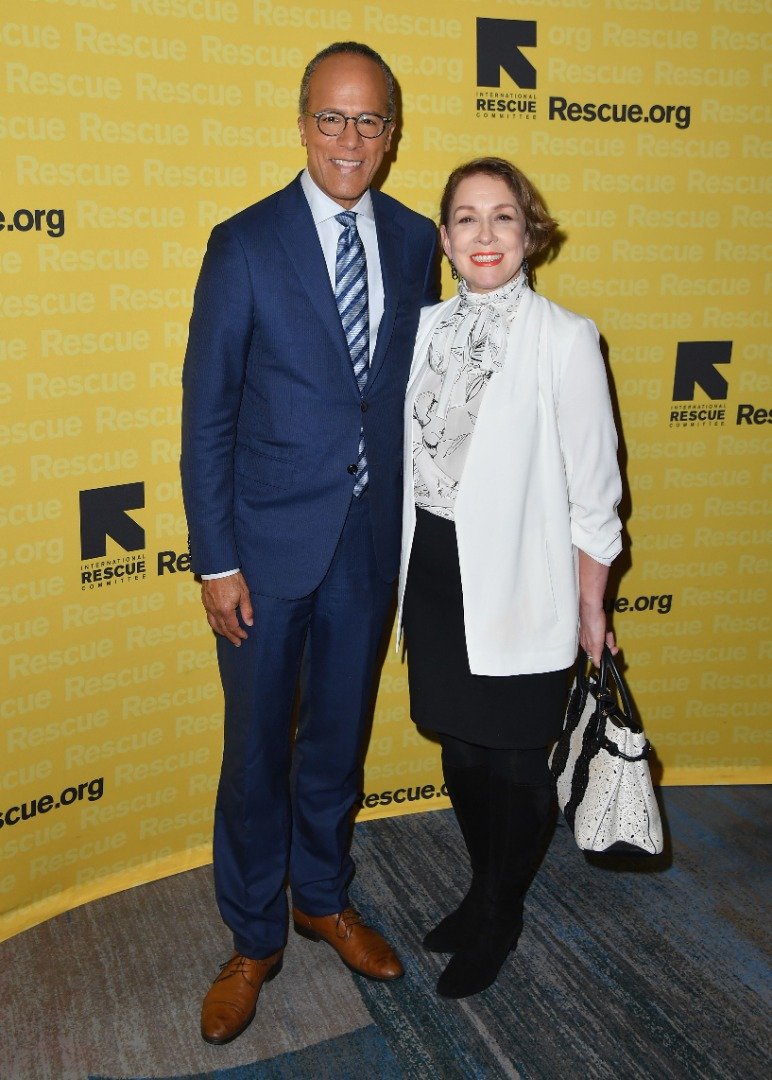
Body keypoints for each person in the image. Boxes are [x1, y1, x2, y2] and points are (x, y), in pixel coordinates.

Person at [181, 42, 438, 1044]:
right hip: (264, 559)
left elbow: (408, 400)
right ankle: (253, 937)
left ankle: (320, 896)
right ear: (300, 124)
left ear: (391, 132)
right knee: (255, 757)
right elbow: (207, 416)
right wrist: (215, 559)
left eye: (369, 120)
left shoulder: (418, 241)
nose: (350, 139)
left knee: (336, 741)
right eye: (331, 119)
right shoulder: (242, 244)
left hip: (367, 552)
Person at [397, 157, 623, 999]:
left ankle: (498, 913)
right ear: (445, 238)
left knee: (519, 763)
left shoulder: (564, 336)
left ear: (530, 233)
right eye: (465, 218)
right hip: (436, 572)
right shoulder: (421, 332)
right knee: (461, 749)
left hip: (526, 580)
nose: (483, 235)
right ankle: (482, 888)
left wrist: (591, 601)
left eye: (502, 217)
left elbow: (596, 488)